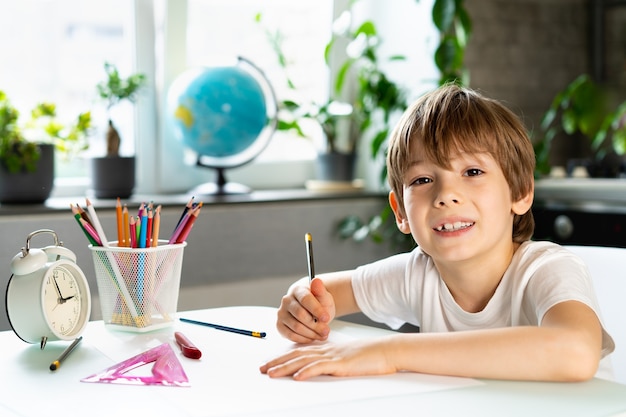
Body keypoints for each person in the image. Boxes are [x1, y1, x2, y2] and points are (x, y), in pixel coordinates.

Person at [259, 84, 615, 382]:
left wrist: (391, 352)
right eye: (423, 180)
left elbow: (575, 352)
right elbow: (326, 292)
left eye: (472, 171)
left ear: (520, 192)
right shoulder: (417, 274)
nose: (446, 195)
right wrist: (302, 304)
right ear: (400, 212)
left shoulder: (545, 269)